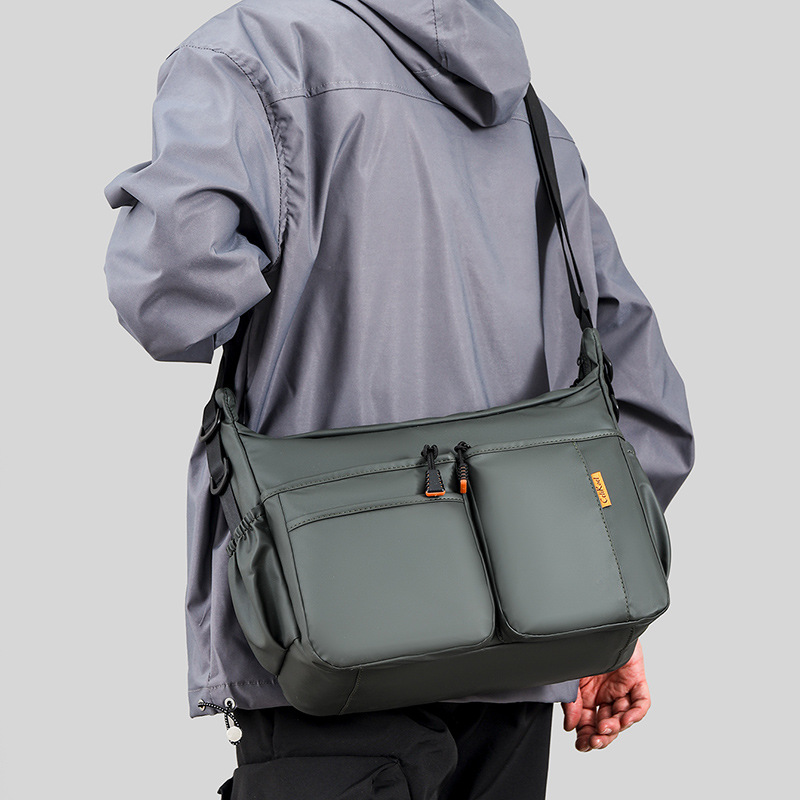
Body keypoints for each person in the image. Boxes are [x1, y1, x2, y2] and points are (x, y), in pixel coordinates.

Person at [102, 1, 694, 797]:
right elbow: (643, 397)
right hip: (520, 654)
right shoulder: (529, 118)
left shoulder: (247, 57)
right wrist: (591, 609)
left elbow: (171, 302)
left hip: (330, 637)